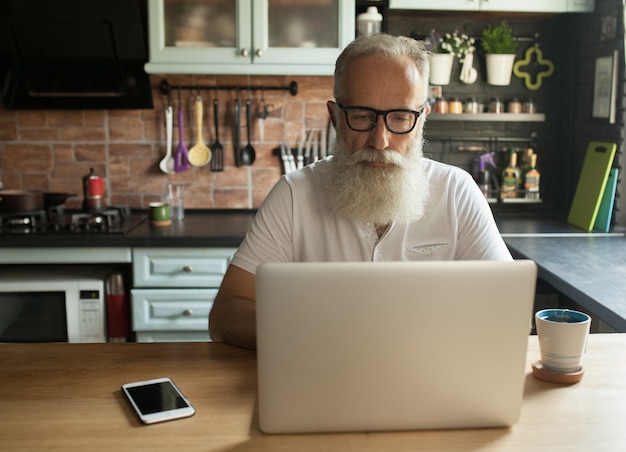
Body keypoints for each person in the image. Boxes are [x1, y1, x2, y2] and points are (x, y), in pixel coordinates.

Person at [209, 33, 512, 350]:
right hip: (322, 380)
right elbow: (227, 314)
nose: (379, 141)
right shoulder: (293, 194)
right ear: (336, 118)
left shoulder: (456, 192)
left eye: (400, 118)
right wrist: (322, 337)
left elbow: (504, 307)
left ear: (421, 119)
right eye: (362, 117)